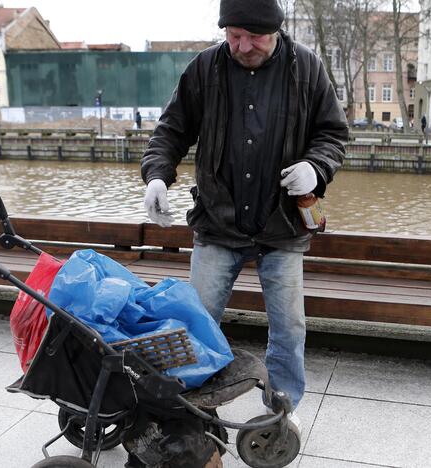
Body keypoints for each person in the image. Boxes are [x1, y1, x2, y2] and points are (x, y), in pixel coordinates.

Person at [141, 0, 347, 425]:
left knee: (289, 328)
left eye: (254, 37)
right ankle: (190, 405)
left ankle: (280, 410)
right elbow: (172, 129)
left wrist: (315, 167)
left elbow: (332, 133)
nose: (242, 45)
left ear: (276, 29)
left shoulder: (306, 68)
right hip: (218, 223)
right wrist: (157, 176)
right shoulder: (204, 69)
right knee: (196, 322)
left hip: (283, 225)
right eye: (233, 35)